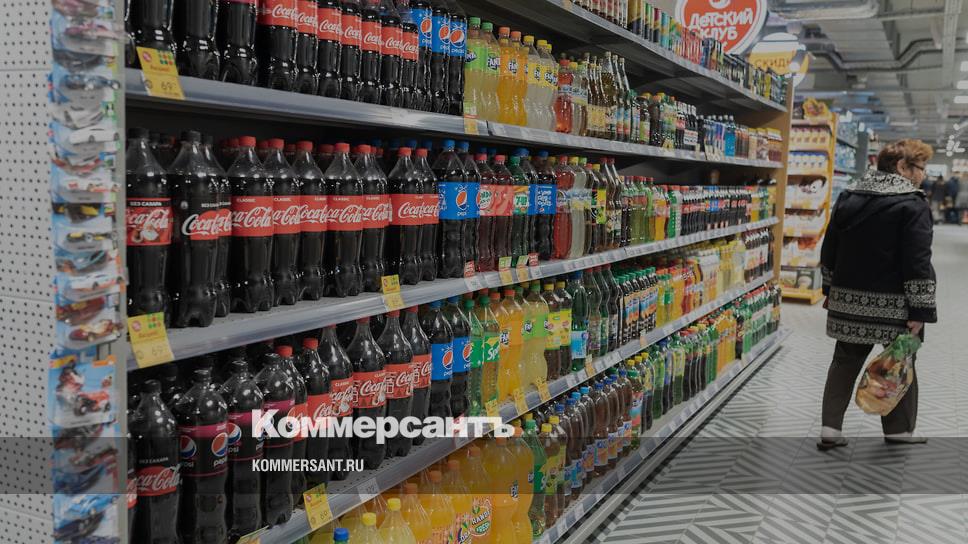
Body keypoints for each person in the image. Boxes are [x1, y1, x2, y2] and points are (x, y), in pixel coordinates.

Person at [817, 138, 937, 449]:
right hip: (895, 306)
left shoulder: (849, 197)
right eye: (920, 167)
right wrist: (920, 310)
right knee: (899, 361)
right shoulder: (912, 204)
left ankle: (830, 430)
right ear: (902, 167)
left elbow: (829, 249)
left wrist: (830, 289)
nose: (923, 174)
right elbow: (917, 263)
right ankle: (898, 432)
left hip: (847, 300)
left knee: (844, 361)